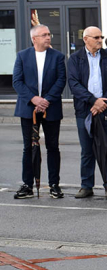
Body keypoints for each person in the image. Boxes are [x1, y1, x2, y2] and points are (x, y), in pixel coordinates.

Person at [12, 24, 67, 199]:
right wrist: (34, 99)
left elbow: (61, 80)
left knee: (53, 147)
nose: (48, 37)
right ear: (34, 39)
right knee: (28, 147)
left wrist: (46, 100)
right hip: (29, 108)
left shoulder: (57, 56)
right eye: (44, 35)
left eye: (49, 34)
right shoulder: (22, 56)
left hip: (51, 108)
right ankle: (28, 184)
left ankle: (54, 185)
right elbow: (17, 81)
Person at [68, 26, 107, 199]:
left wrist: (102, 102)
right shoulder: (76, 58)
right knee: (87, 149)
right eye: (96, 37)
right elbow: (74, 84)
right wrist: (93, 101)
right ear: (86, 39)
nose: (100, 40)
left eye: (101, 37)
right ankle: (86, 185)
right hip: (85, 109)